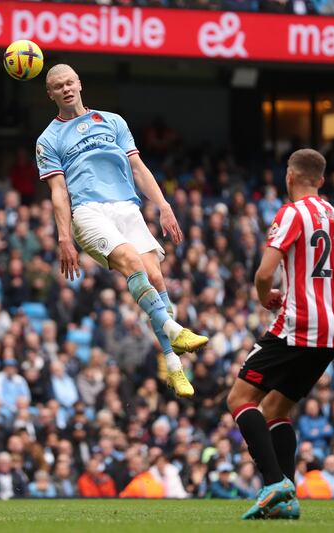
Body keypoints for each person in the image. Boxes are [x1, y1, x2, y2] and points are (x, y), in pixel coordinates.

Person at [36, 64, 207, 398]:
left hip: (127, 207)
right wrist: (64, 237)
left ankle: (173, 367)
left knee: (157, 280)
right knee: (131, 261)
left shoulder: (113, 121)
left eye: (70, 82)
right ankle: (173, 329)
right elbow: (58, 191)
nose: (66, 89)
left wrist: (163, 205)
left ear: (80, 83)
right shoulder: (48, 139)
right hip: (89, 211)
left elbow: (137, 167)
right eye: (58, 86)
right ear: (50, 94)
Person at [226, 149, 334, 520]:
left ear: (289, 176)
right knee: (275, 408)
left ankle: (274, 482)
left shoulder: (292, 213)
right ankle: (287, 500)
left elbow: (263, 274)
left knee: (240, 399)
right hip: (333, 333)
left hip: (298, 323)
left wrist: (264, 297)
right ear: (322, 180)